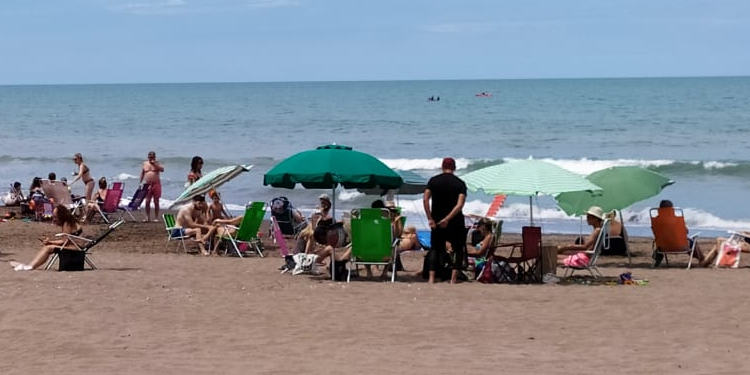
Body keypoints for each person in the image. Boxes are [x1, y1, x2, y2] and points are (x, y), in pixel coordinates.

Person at [423, 157, 467, 284]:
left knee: (435, 249)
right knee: (458, 249)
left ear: (442, 167)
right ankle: (453, 279)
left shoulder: (433, 181)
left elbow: (425, 199)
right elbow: (460, 205)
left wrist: (429, 218)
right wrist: (447, 219)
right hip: (455, 221)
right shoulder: (460, 183)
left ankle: (431, 279)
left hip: (436, 220)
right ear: (454, 168)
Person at [9, 205, 82, 271]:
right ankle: (30, 265)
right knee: (48, 246)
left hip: (76, 247)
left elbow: (64, 241)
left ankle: (31, 266)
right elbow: (66, 240)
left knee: (48, 248)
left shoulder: (67, 223)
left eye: (55, 217)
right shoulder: (69, 221)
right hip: (73, 245)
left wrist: (50, 242)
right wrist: (50, 242)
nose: (54, 219)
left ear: (61, 215)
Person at [652, 200, 705, 266]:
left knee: (661, 242)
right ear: (671, 209)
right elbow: (686, 232)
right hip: (680, 246)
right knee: (693, 241)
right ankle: (702, 259)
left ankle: (656, 261)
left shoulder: (656, 220)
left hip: (663, 247)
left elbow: (655, 232)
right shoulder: (676, 220)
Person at [140, 151, 164, 222]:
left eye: (152, 157)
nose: (151, 158)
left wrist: (155, 164)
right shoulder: (145, 163)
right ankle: (147, 217)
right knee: (147, 201)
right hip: (147, 184)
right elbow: (142, 173)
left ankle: (156, 217)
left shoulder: (157, 163)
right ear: (148, 157)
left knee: (156, 201)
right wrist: (140, 182)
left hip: (156, 184)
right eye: (150, 157)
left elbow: (162, 170)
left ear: (155, 157)